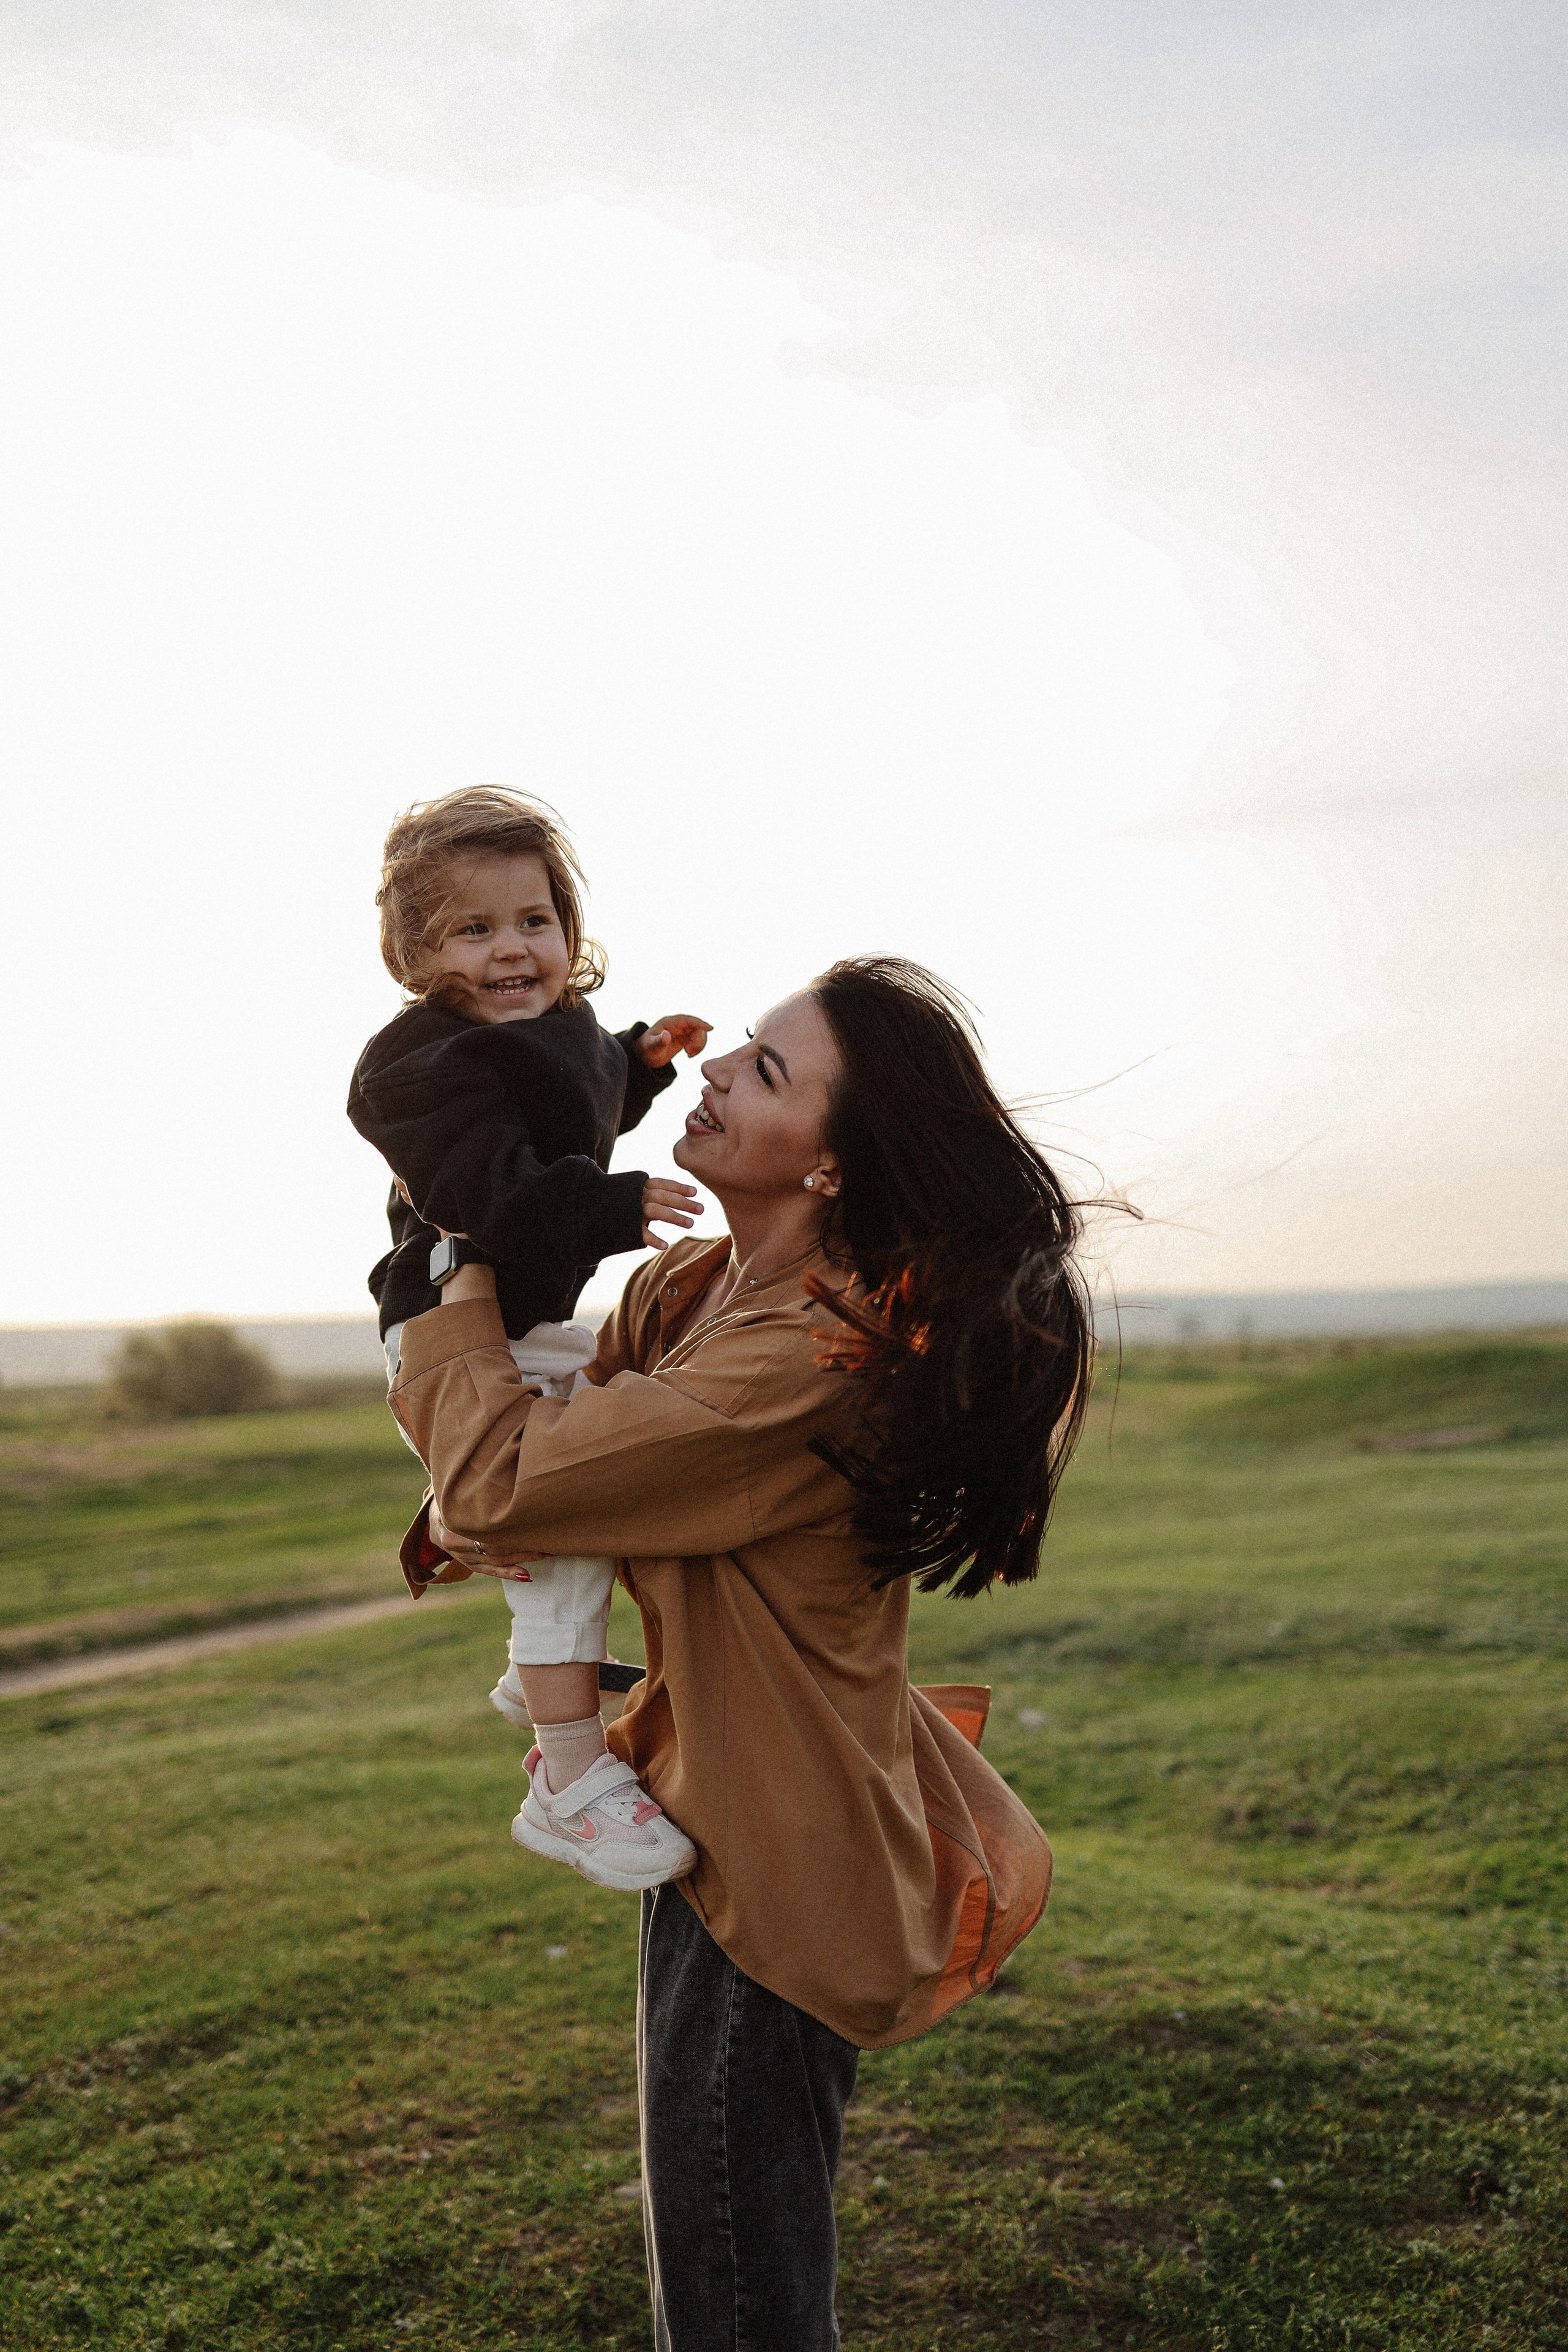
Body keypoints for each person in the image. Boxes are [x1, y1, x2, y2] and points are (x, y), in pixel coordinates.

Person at [389, 957, 1093, 2352]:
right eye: (738, 1053)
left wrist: (435, 1293)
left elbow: (508, 1486)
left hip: (771, 1862)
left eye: (766, 1070)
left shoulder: (817, 1354)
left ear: (832, 1164)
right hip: (704, 1795)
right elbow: (539, 1480)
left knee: (735, 2312)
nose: (714, 1071)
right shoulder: (697, 1291)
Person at [348, 785, 711, 1888]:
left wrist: (641, 1062)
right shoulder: (419, 1070)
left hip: (532, 1322)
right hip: (455, 1320)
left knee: (594, 1471)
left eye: (534, 921)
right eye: (474, 929)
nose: (513, 949)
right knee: (557, 1519)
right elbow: (499, 1192)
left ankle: (520, 1617)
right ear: (418, 953)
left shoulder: (557, 1033)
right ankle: (567, 1781)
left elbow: (575, 1101)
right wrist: (609, 1206)